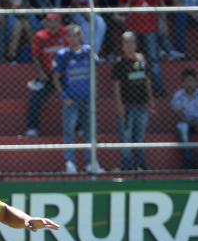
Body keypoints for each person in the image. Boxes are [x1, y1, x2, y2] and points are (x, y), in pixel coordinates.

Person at [53, 24, 101, 174]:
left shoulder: (88, 52)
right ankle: (70, 163)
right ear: (67, 38)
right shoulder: (63, 55)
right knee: (69, 131)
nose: (74, 39)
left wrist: (94, 93)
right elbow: (56, 77)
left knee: (89, 131)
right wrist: (64, 95)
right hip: (71, 100)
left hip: (87, 99)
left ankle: (90, 163)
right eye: (71, 36)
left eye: (77, 35)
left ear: (81, 36)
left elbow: (95, 72)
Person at [112, 31, 154, 171]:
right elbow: (116, 84)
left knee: (139, 138)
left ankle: (140, 165)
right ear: (122, 45)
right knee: (126, 139)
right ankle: (126, 166)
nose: (129, 45)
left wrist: (150, 99)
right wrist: (119, 105)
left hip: (141, 105)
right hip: (127, 106)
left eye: (132, 42)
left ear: (136, 44)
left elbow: (147, 78)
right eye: (126, 42)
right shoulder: (119, 63)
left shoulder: (141, 59)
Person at [25, 13, 67, 138]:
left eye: (55, 21)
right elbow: (36, 56)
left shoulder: (66, 34)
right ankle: (32, 128)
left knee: (77, 96)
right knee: (34, 98)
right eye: (49, 21)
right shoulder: (40, 36)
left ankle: (79, 128)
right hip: (47, 76)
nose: (52, 24)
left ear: (60, 23)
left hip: (65, 75)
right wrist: (41, 72)